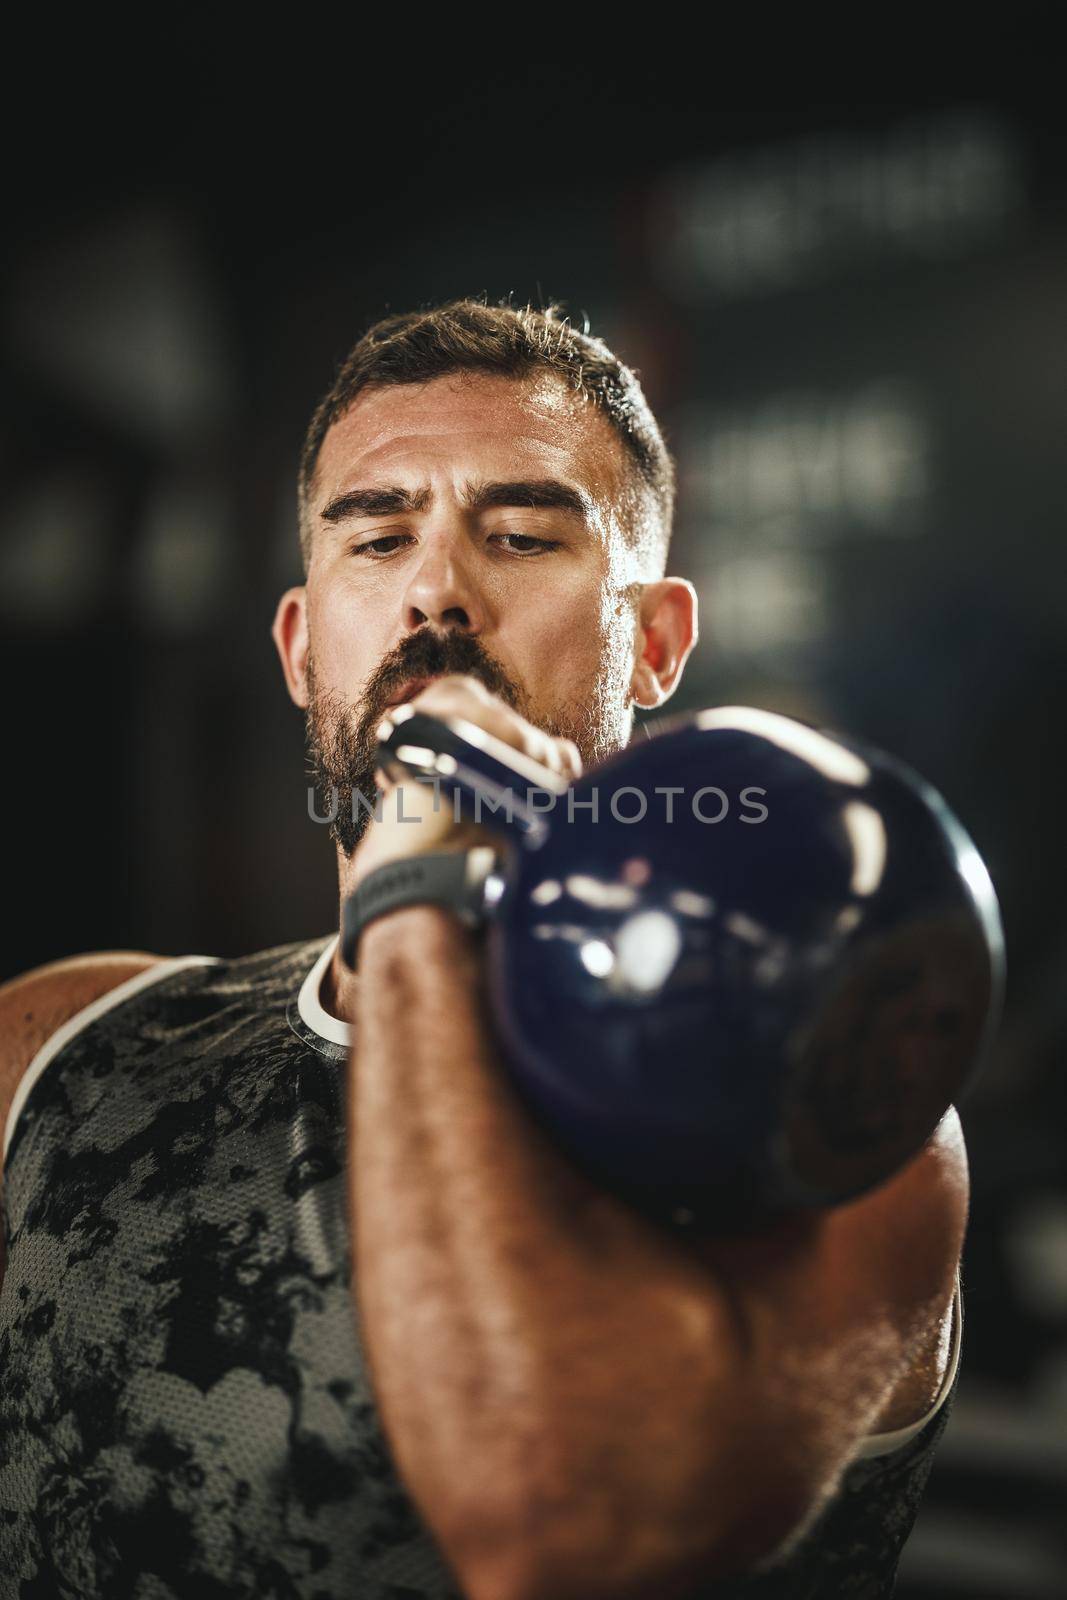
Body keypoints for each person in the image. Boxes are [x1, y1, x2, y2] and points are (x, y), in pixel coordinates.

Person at [0, 300, 967, 1599]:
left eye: (518, 535)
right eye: (379, 538)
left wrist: (417, 900)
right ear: (300, 650)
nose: (438, 588)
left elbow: (561, 1536)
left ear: (661, 641)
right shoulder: (55, 1049)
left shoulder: (820, 1106)